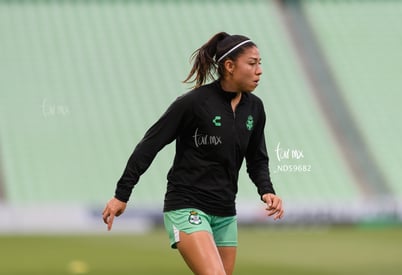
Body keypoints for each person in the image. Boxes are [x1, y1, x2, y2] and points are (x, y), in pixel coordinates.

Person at [102, 32, 284, 275]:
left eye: (260, 63)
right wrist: (121, 194)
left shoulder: (255, 108)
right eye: (252, 63)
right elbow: (149, 145)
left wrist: (267, 190)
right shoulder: (193, 103)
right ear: (229, 66)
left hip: (225, 211)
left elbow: (257, 158)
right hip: (187, 204)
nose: (259, 70)